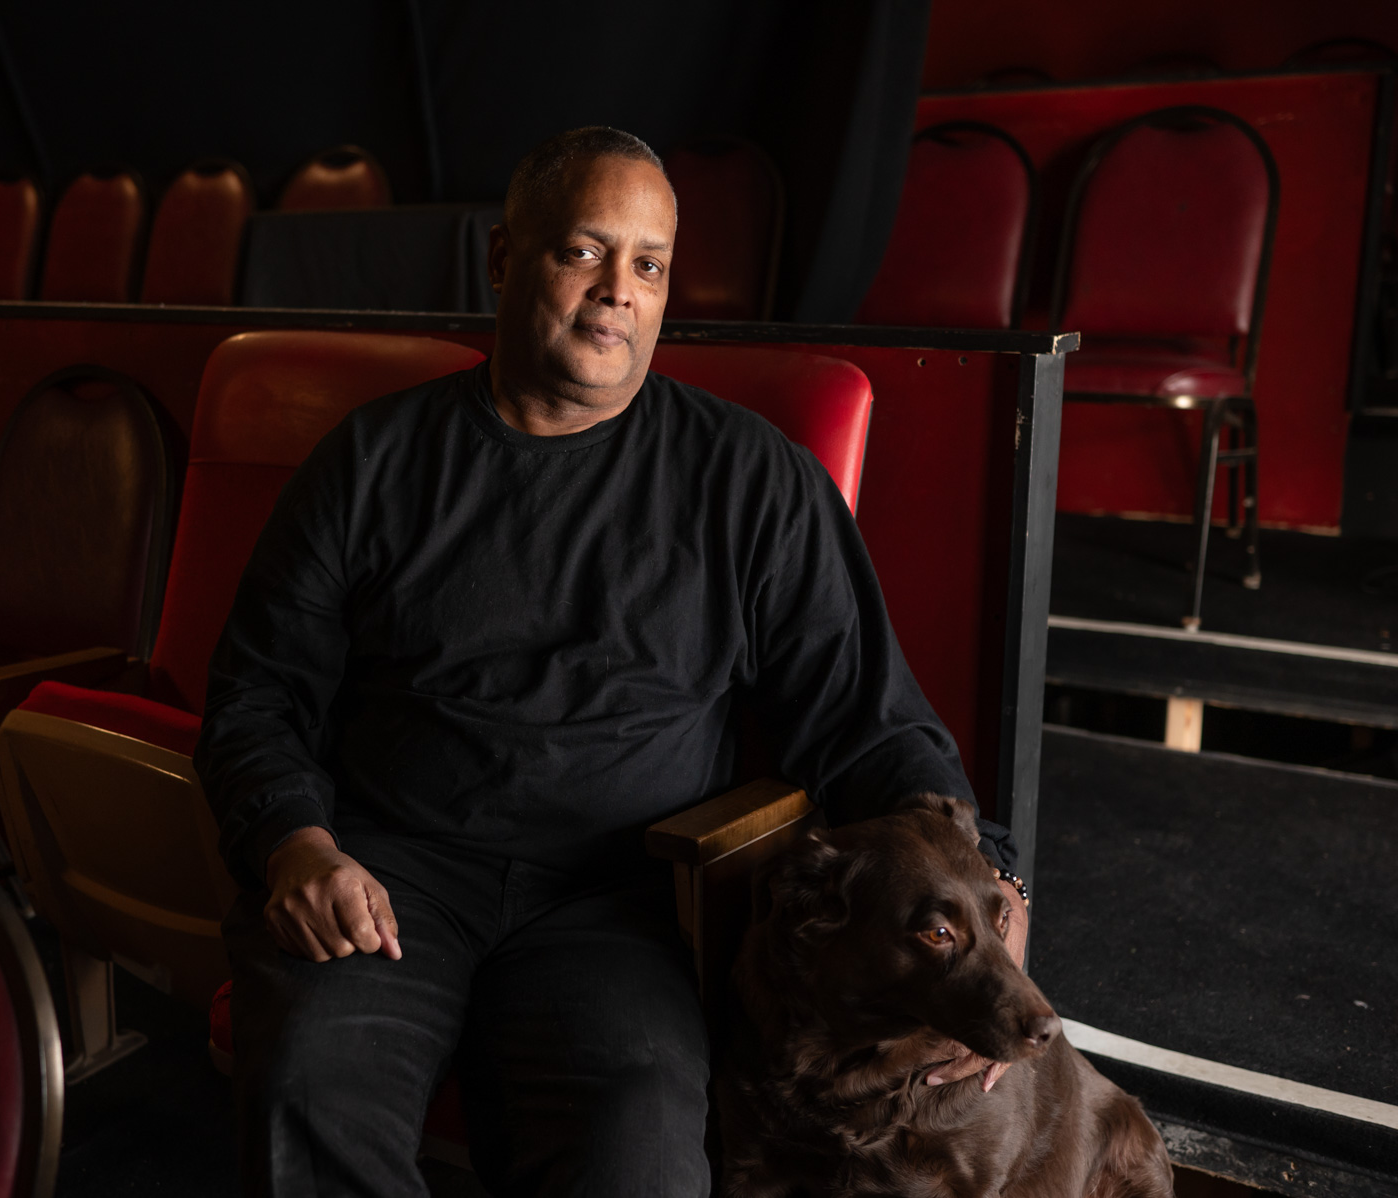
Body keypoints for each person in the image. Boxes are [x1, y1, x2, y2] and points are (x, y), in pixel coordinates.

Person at [196, 126, 1026, 1198]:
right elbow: (258, 690)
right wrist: (294, 845)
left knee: (635, 1153)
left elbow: (871, 723)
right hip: (389, 875)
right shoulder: (371, 459)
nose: (617, 291)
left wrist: (987, 878)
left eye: (648, 264)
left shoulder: (753, 481)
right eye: (582, 252)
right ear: (504, 259)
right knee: (309, 1091)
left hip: (619, 905)